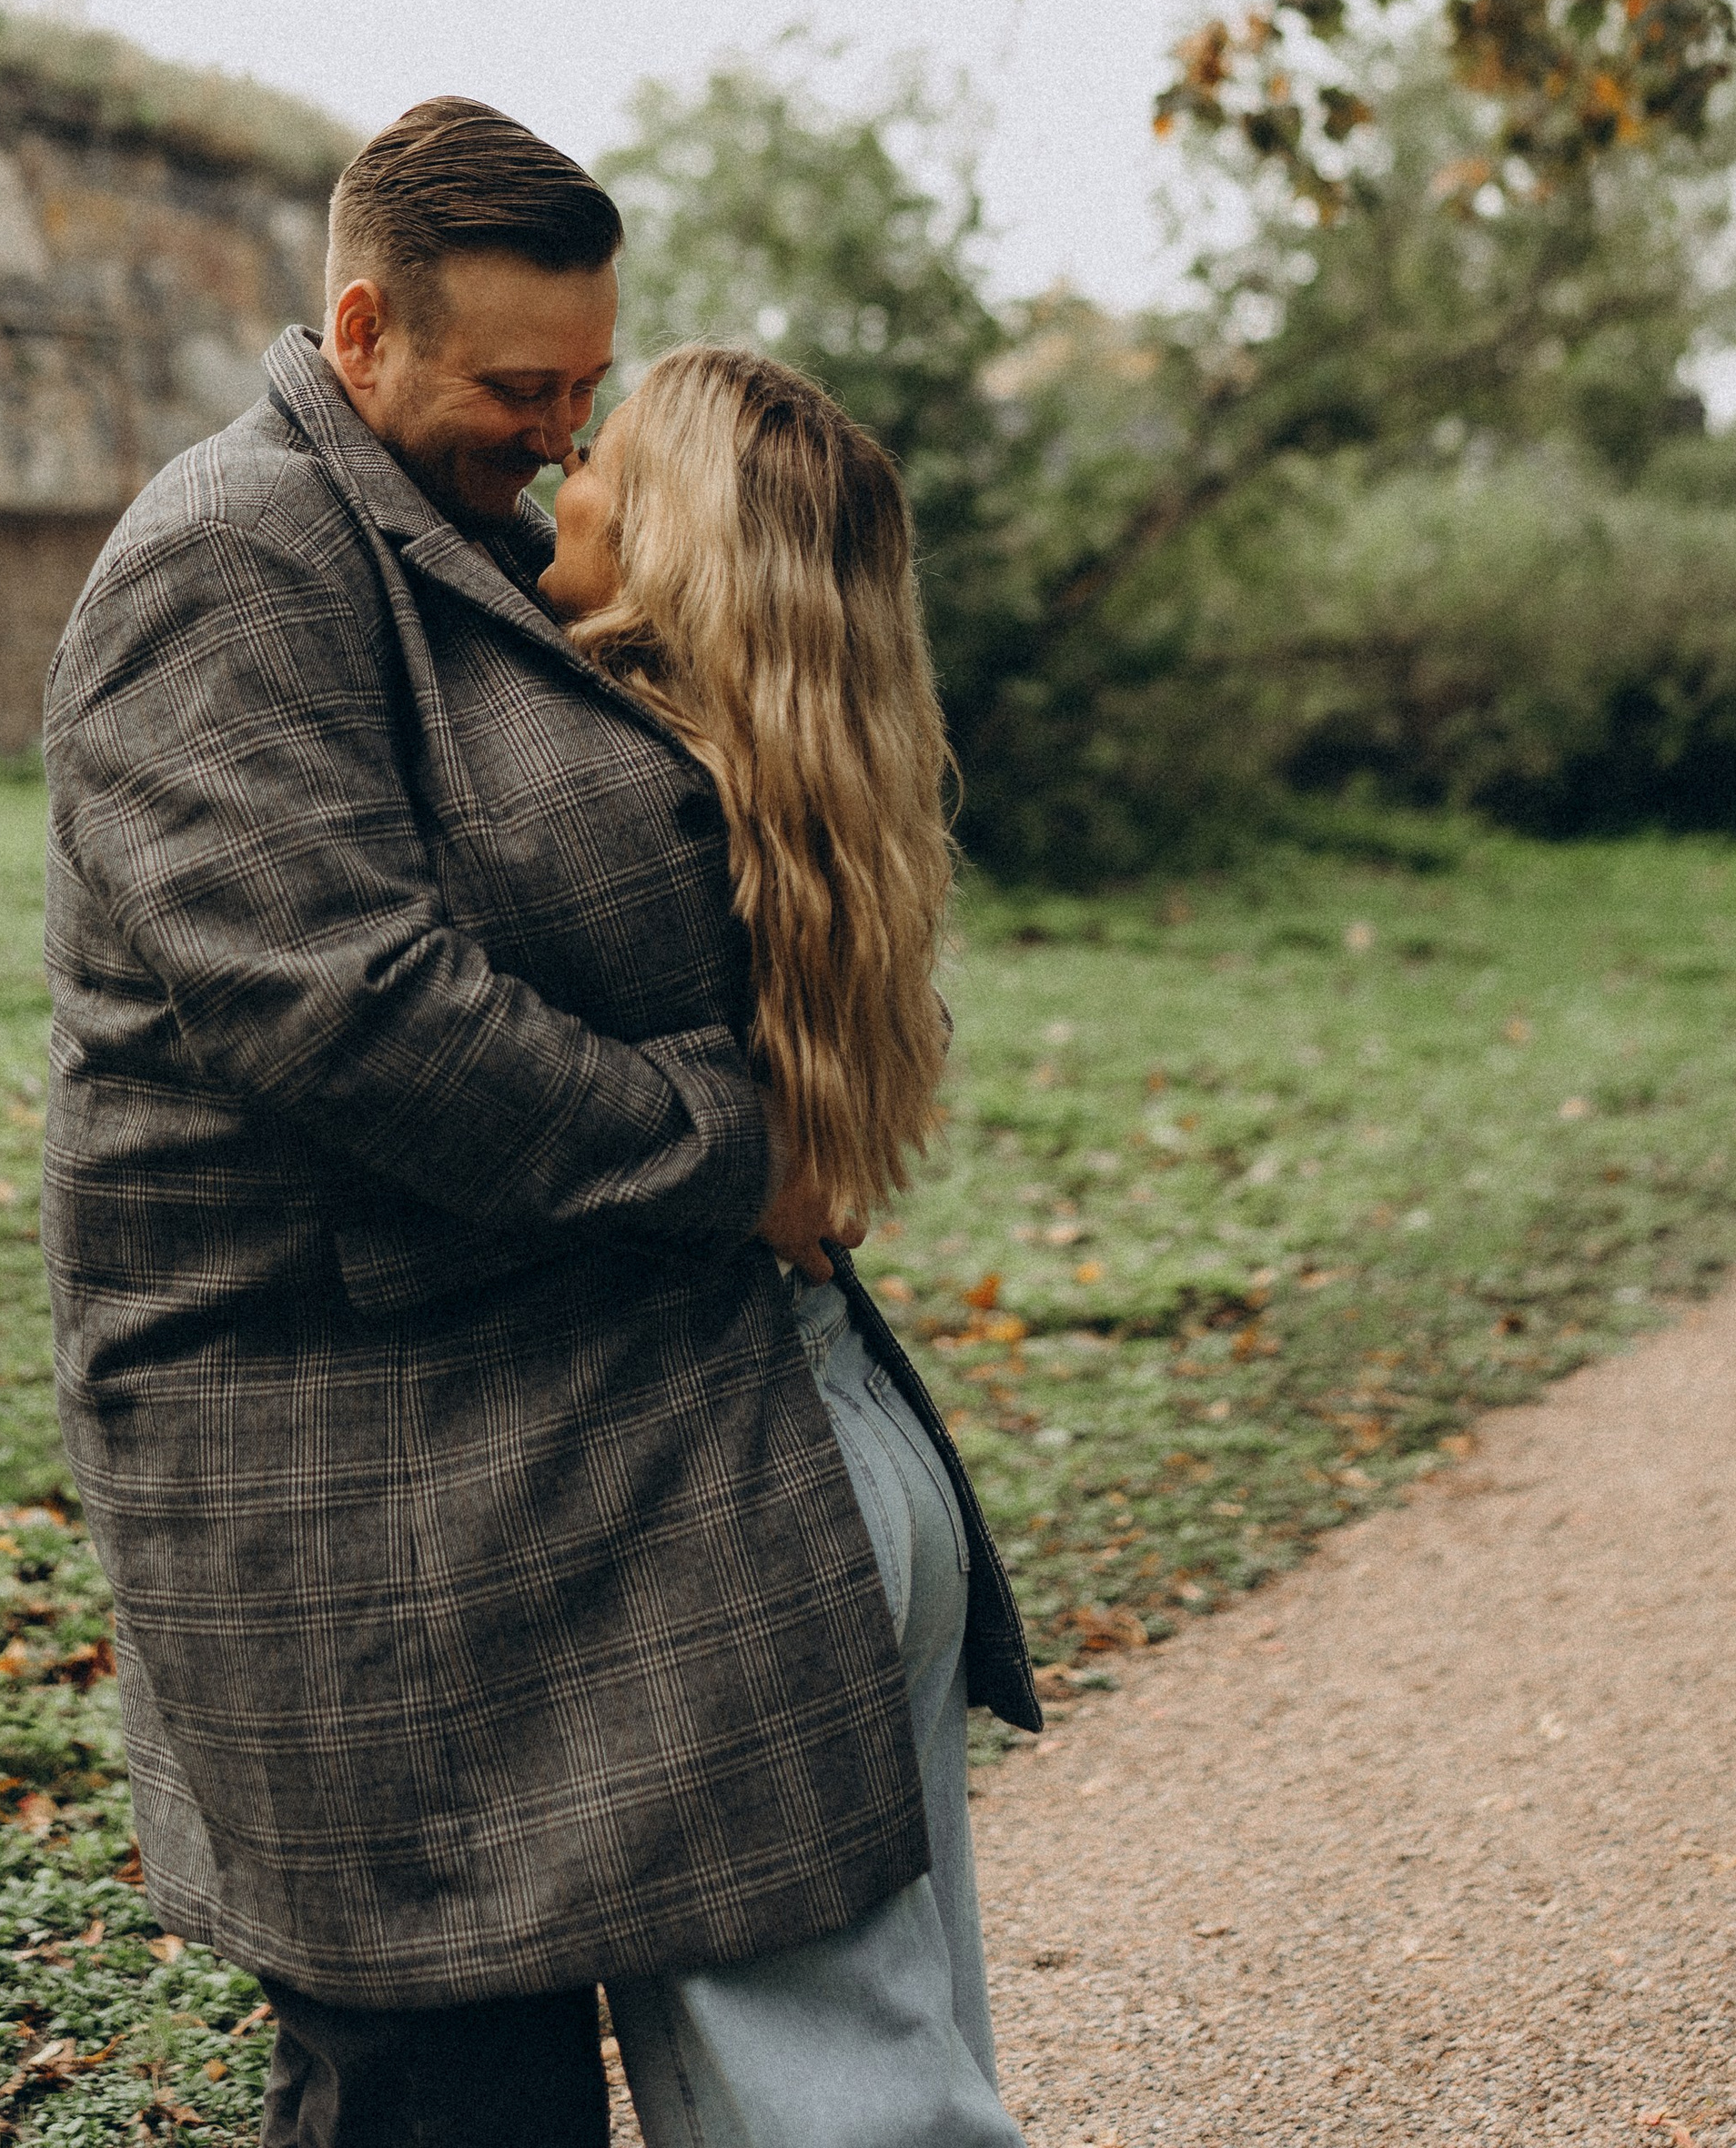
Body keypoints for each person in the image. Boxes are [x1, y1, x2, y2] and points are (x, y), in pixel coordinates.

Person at [41, 96, 1036, 2148]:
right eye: (518, 390)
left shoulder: (444, 541)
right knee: (439, 2084)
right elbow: (345, 1007)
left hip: (532, 1444)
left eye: (586, 390)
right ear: (360, 327)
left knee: (760, 2066)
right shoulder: (231, 559)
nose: (561, 441)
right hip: (320, 1457)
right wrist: (730, 1153)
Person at [540, 342, 1028, 2147]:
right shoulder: (803, 795)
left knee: (822, 2104)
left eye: (593, 456)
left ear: (662, 533)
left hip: (740, 1488)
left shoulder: (601, 794)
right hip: (863, 1463)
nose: (557, 473)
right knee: (900, 2057)